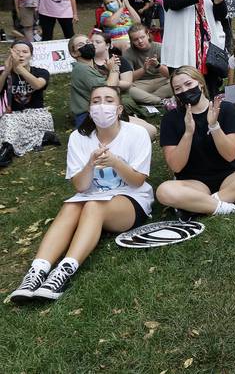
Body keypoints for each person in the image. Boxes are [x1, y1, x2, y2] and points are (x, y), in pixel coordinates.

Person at [8, 85, 153, 303]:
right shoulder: (79, 137)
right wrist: (90, 164)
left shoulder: (136, 133)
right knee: (71, 206)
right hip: (89, 197)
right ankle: (37, 271)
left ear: (120, 108)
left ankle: (64, 271)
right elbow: (81, 187)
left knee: (94, 206)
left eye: (108, 100)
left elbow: (137, 180)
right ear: (89, 108)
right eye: (96, 101)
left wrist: (115, 162)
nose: (102, 106)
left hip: (131, 199)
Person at [156, 66, 235, 219]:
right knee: (163, 191)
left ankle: (200, 206)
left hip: (229, 178)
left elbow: (230, 155)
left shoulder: (225, 109)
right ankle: (231, 206)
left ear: (200, 83)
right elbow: (176, 166)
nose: (184, 90)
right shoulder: (171, 119)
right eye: (177, 88)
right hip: (193, 183)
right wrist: (188, 133)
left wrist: (214, 126)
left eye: (188, 84)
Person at [161, 0, 229, 98]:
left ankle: (211, 121)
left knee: (210, 93)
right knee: (185, 94)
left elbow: (221, 15)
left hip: (208, 50)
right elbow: (175, 2)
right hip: (181, 48)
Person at [67, 33, 156, 139]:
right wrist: (114, 68)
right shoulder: (82, 69)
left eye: (88, 42)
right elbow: (108, 89)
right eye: (81, 45)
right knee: (150, 132)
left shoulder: (88, 67)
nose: (88, 45)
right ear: (74, 53)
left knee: (148, 128)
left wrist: (111, 70)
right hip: (93, 117)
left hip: (104, 112)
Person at [0, 41, 56, 161]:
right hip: (14, 116)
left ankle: (7, 148)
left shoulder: (41, 72)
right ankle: (10, 147)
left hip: (37, 115)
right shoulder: (4, 73)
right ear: (10, 54)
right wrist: (5, 72)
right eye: (16, 52)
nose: (20, 55)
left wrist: (19, 68)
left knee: (7, 124)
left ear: (31, 55)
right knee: (9, 122)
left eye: (25, 52)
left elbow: (37, 85)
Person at [124, 24, 172, 106]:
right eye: (136, 39)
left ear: (148, 35)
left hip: (161, 81)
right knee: (127, 89)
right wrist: (143, 69)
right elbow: (129, 78)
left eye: (142, 37)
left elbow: (170, 74)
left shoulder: (160, 48)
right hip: (142, 83)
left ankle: (146, 99)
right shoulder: (128, 53)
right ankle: (160, 101)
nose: (140, 41)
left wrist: (158, 65)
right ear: (131, 41)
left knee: (175, 83)